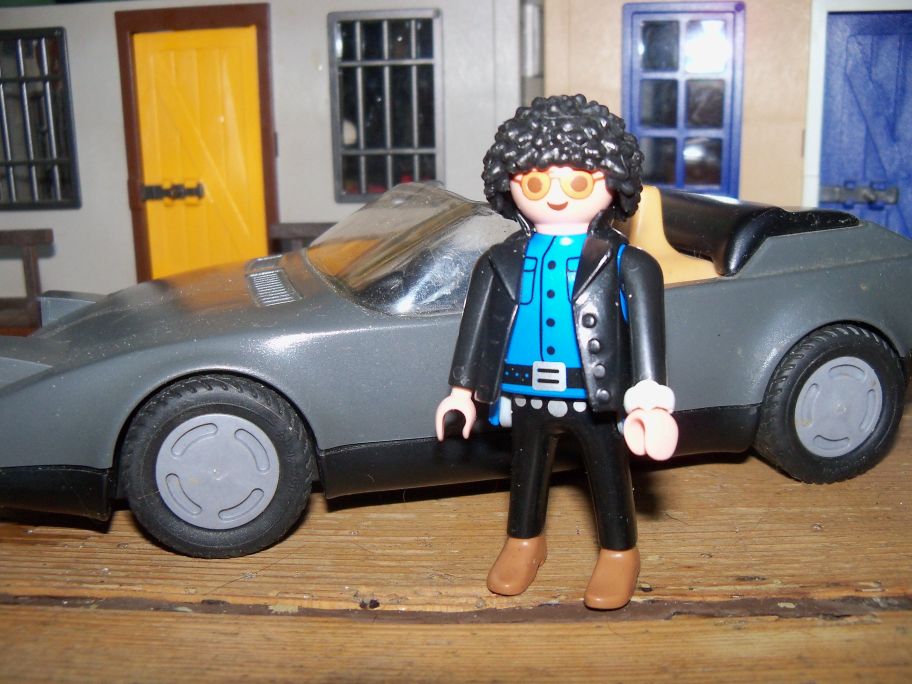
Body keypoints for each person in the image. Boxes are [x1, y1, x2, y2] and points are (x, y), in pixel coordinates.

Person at [435, 94, 678, 609]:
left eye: (579, 183)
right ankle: (524, 543)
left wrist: (651, 399)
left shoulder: (628, 263)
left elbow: (648, 337)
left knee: (608, 472)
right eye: (537, 183)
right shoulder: (499, 260)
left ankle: (619, 551)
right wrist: (461, 392)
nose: (558, 197)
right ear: (509, 184)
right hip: (522, 390)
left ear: (613, 183)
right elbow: (476, 327)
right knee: (525, 473)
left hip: (595, 394)